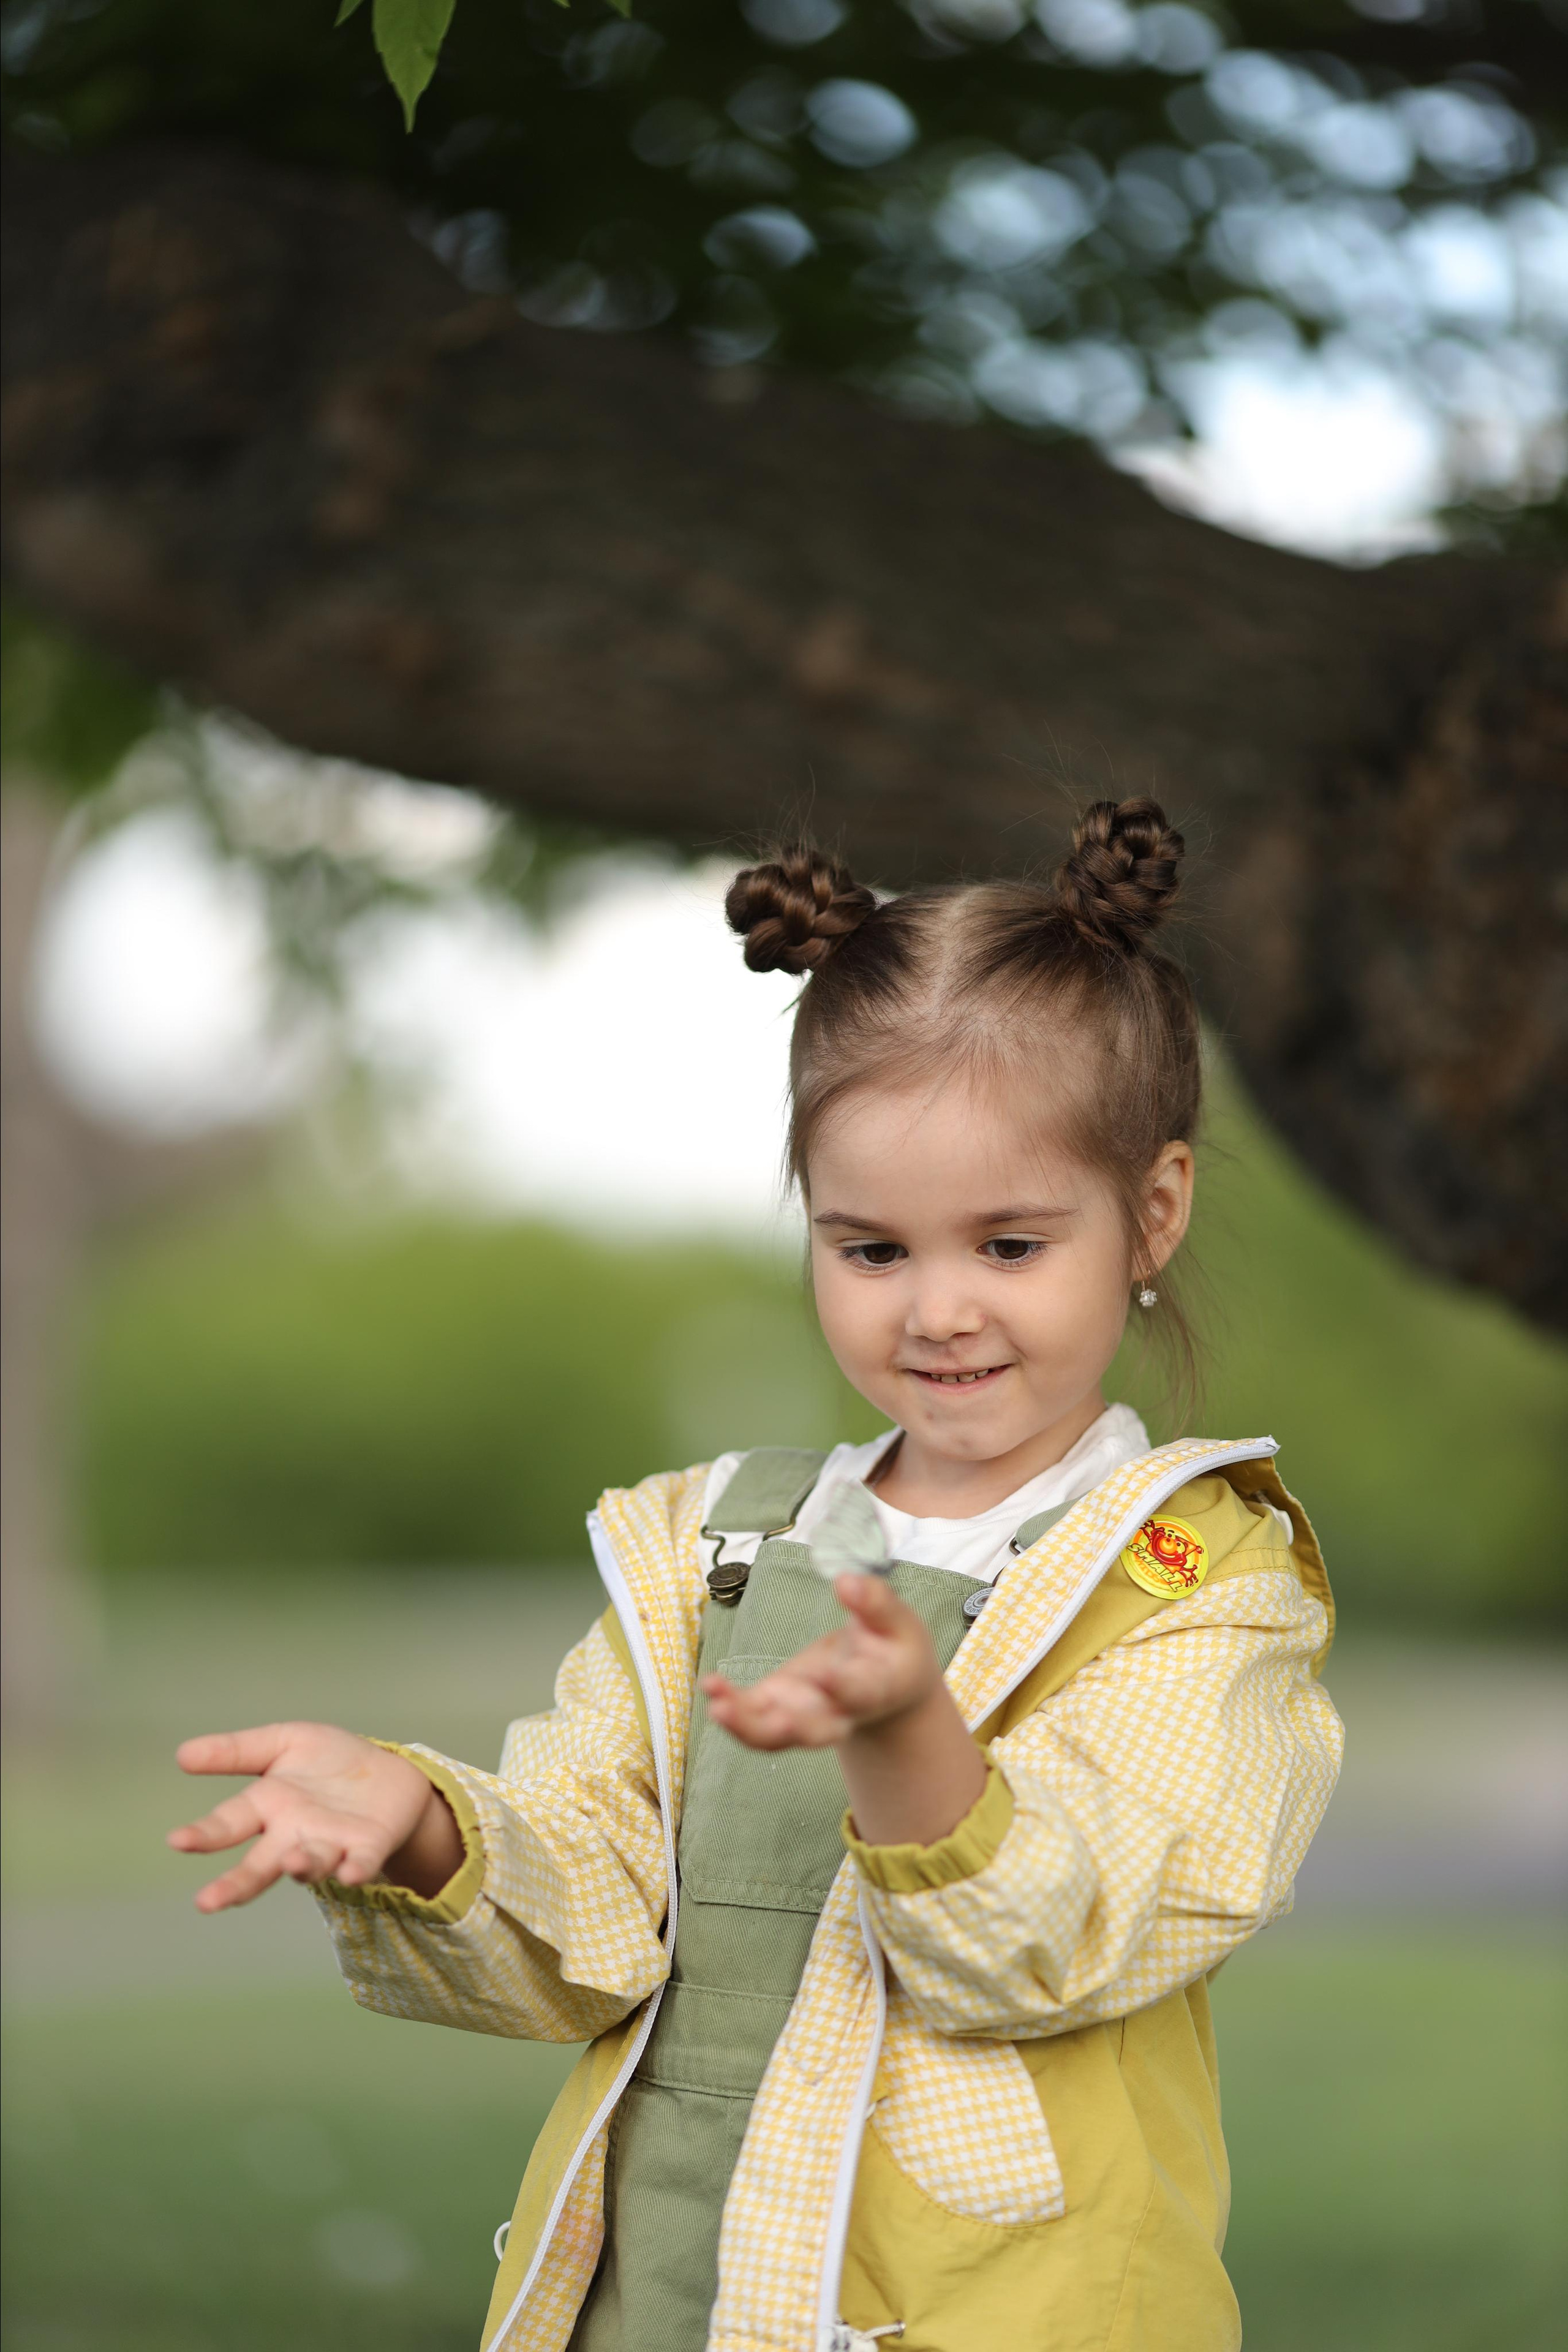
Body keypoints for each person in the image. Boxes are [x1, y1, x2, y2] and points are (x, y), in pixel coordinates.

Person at [169, 799, 1343, 2352]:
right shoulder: (715, 1544)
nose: (935, 1311)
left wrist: (907, 1734)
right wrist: (428, 1825)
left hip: (996, 2311)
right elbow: (594, 1918)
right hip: (666, 2289)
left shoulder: (1197, 1583)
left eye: (1006, 1245)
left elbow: (1063, 1936)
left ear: (1153, 1210)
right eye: (870, 1250)